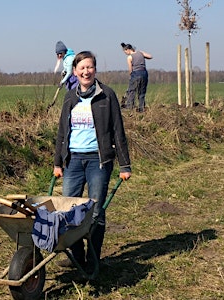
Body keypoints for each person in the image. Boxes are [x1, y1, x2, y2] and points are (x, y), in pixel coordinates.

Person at [53, 51, 132, 268]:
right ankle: (77, 256)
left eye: (90, 67)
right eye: (82, 68)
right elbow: (62, 132)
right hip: (73, 161)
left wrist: (125, 165)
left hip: (99, 161)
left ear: (94, 69)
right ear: (75, 71)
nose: (86, 71)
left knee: (96, 211)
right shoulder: (70, 97)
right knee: (70, 210)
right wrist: (57, 163)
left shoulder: (107, 95)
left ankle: (93, 258)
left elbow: (118, 130)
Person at [121, 42, 152, 112]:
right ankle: (141, 108)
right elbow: (150, 56)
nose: (125, 53)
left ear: (128, 49)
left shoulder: (129, 57)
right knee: (142, 92)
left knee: (131, 91)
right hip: (144, 73)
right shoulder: (140, 52)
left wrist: (130, 76)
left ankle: (129, 107)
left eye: (125, 51)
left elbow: (130, 69)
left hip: (136, 74)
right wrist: (142, 55)